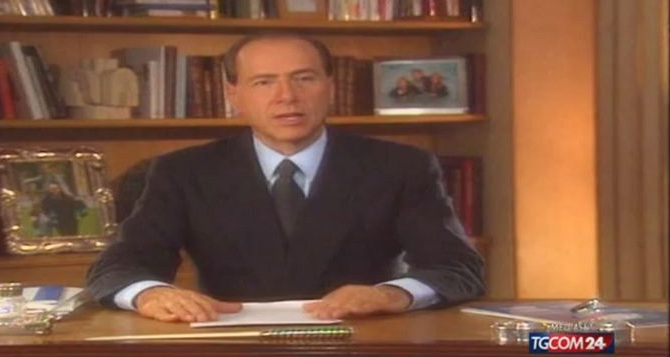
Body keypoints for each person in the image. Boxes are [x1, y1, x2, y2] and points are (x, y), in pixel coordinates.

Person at [86, 32, 484, 323]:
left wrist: (393, 295)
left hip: (363, 347)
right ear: (234, 95)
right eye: (264, 82)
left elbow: (458, 268)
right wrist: (150, 293)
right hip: (232, 353)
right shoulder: (183, 172)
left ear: (330, 87)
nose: (287, 97)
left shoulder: (401, 166)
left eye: (304, 78)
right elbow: (118, 267)